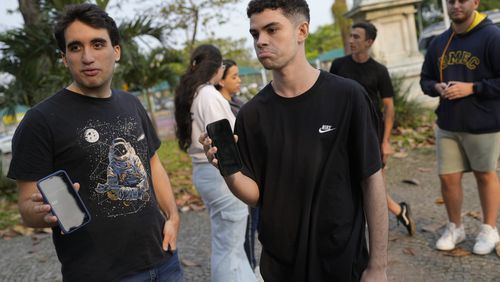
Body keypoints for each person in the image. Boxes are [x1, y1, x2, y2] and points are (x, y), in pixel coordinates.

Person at [200, 0, 389, 281]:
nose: (261, 41)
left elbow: (372, 181)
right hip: (280, 267)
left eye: (272, 29)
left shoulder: (348, 97)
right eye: (255, 34)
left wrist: (377, 266)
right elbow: (256, 194)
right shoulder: (252, 114)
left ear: (302, 31)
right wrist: (228, 170)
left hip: (341, 262)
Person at [8, 4, 182, 281]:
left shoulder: (131, 103)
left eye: (97, 44)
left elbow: (153, 164)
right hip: (100, 274)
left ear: (116, 51)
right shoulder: (40, 120)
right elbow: (27, 208)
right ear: (64, 57)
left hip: (164, 261)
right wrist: (43, 212)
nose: (87, 56)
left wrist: (172, 217)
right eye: (75, 47)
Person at [420, 0, 500, 255]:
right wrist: (436, 87)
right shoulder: (439, 42)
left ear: (475, 2)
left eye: (461, 0)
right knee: (448, 177)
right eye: (450, 1)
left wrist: (473, 88)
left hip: (484, 122)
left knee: (484, 174)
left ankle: (489, 228)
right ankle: (455, 227)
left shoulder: (492, 36)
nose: (455, 5)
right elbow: (425, 79)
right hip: (448, 123)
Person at [174, 45, 255, 281]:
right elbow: (224, 140)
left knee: (227, 244)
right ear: (217, 68)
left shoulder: (191, 94)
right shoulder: (209, 95)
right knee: (229, 246)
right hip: (220, 174)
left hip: (206, 172)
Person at [330, 22, 416, 236]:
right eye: (350, 36)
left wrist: (385, 141)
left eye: (356, 37)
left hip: (371, 133)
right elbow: (330, 98)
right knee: (346, 180)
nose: (351, 41)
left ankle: (395, 213)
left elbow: (388, 108)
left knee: (373, 184)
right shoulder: (338, 65)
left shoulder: (379, 70)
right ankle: (361, 224)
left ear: (369, 42)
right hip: (343, 132)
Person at [215, 59, 259, 270]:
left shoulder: (241, 104)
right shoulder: (224, 108)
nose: (239, 80)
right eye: (234, 76)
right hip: (242, 174)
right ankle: (249, 267)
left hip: (256, 172)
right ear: (221, 81)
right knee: (246, 230)